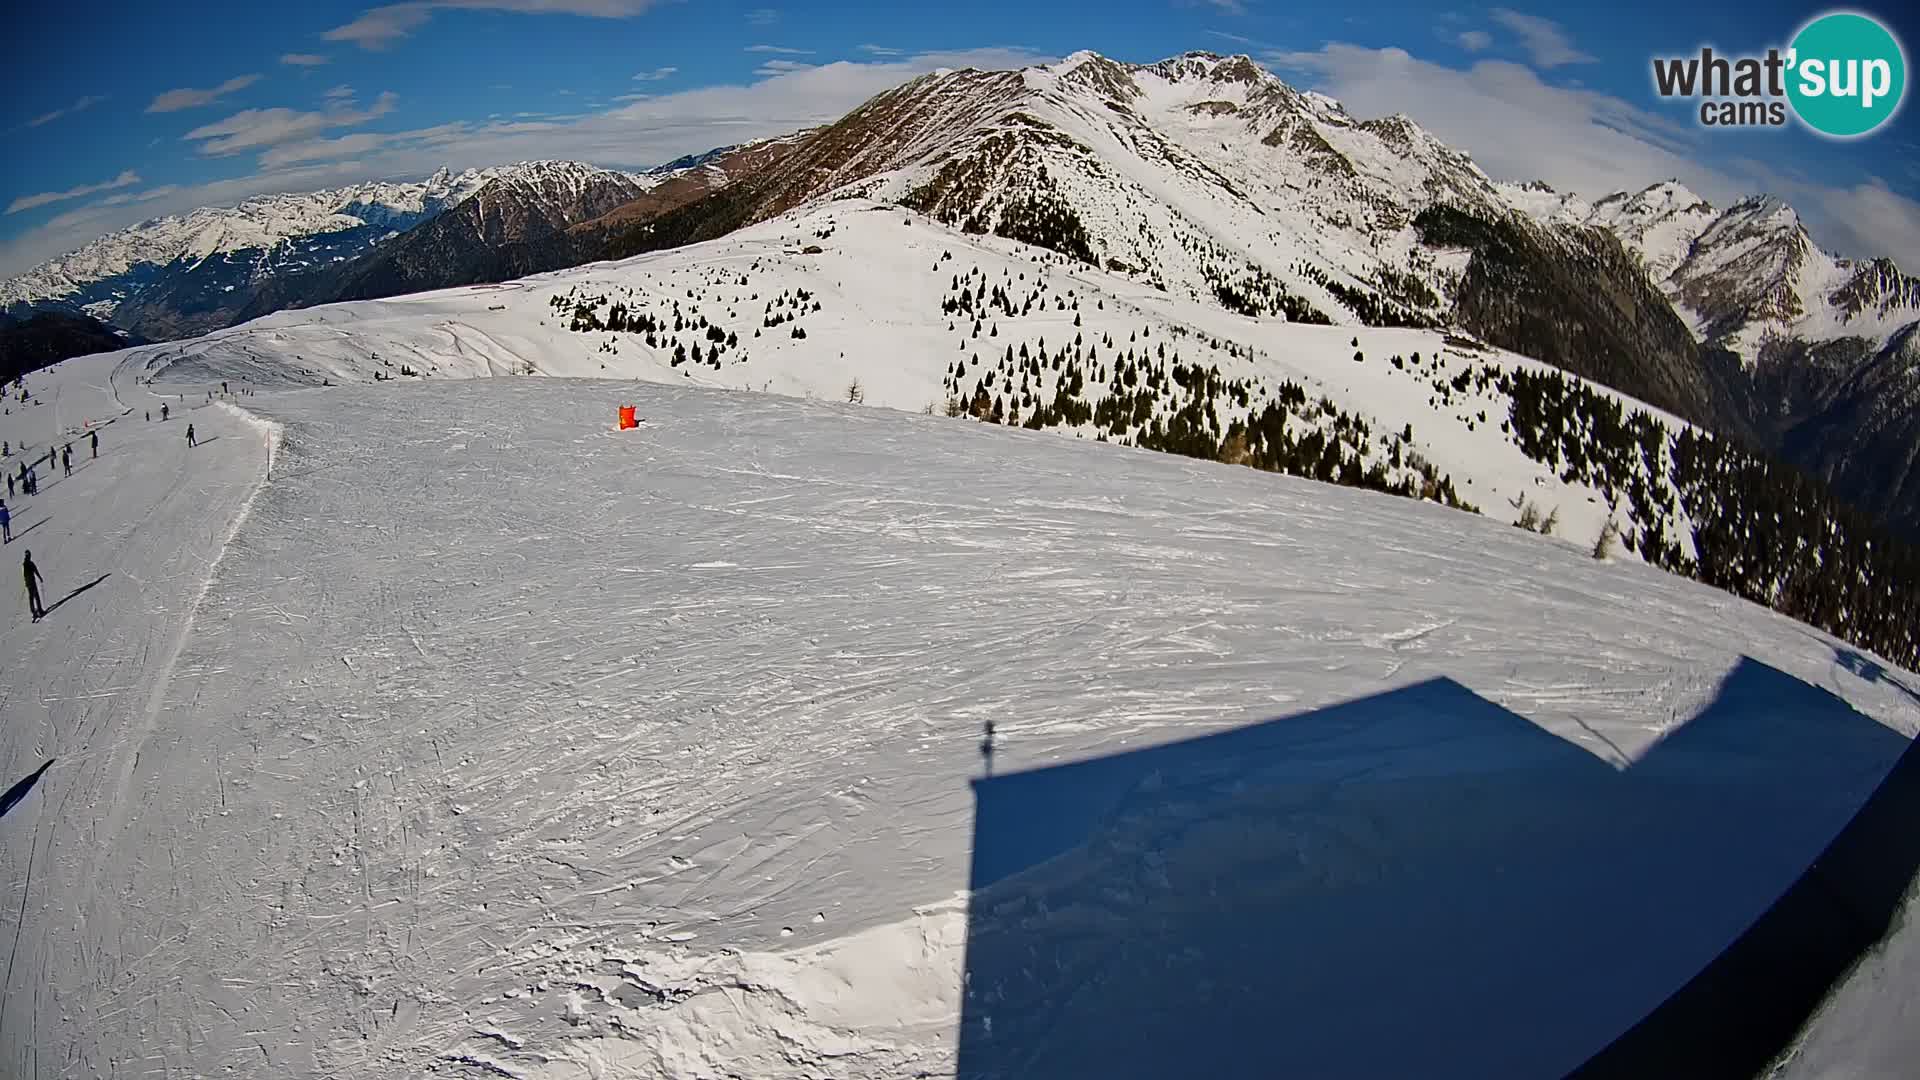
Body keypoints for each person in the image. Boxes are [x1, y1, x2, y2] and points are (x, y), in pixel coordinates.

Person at [23, 549, 44, 621]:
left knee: (31, 597)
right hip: (32, 582)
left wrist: (26, 582)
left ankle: (34, 612)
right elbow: (36, 571)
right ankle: (40, 611)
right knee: (36, 596)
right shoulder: (30, 563)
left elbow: (25, 575)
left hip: (28, 583)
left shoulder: (25, 564)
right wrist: (40, 578)